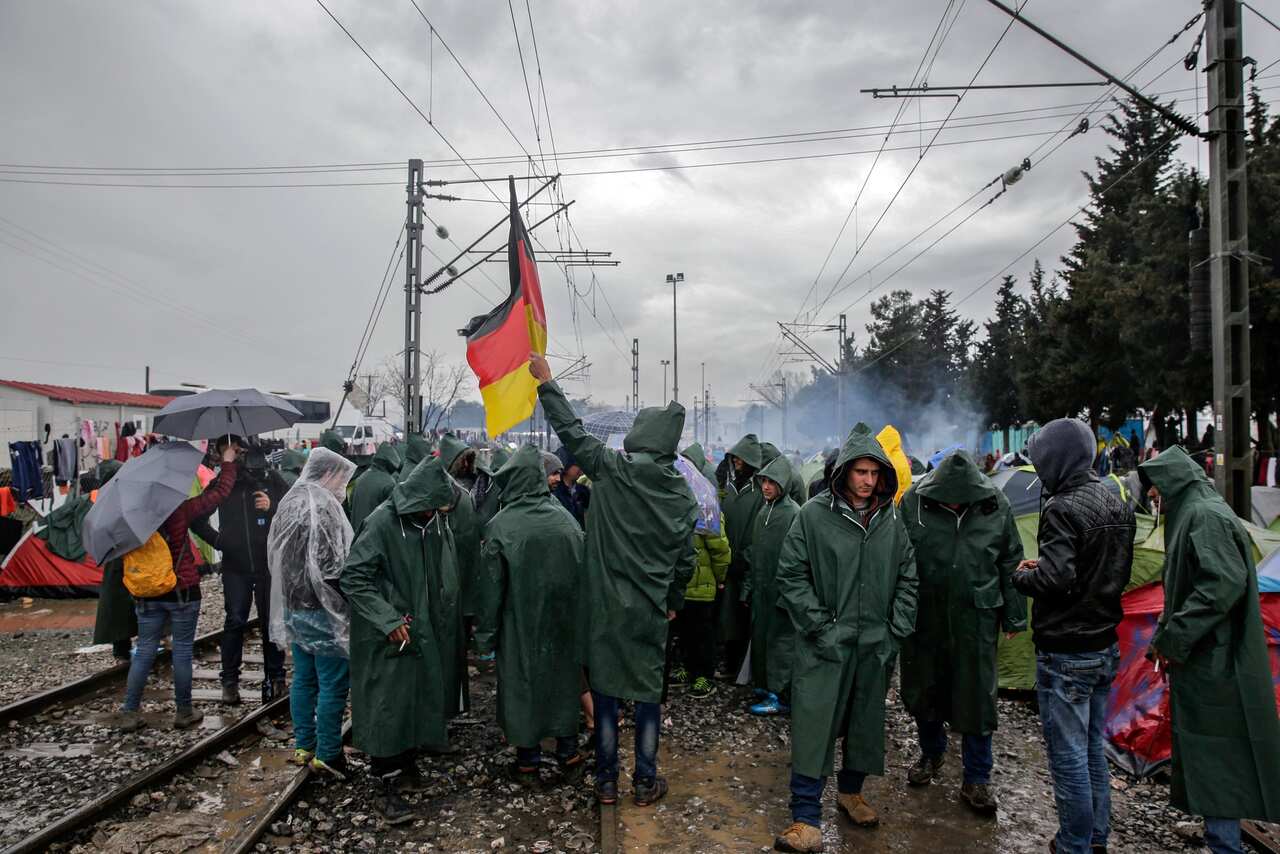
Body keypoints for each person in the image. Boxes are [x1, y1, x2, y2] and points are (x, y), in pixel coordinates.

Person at [529, 352, 696, 808]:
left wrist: (547, 381)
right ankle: (644, 783)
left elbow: (572, 432)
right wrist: (674, 598)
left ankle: (605, 783)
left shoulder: (610, 469)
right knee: (646, 699)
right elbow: (685, 558)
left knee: (604, 696)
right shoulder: (681, 493)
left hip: (603, 606)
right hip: (650, 610)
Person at [772, 424, 917, 853]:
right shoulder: (813, 516)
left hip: (874, 645)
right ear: (844, 474)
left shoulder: (891, 519)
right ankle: (805, 818)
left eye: (875, 472)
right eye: (860, 472)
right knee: (814, 727)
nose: (868, 480)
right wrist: (819, 625)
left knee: (864, 723)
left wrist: (895, 630)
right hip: (825, 646)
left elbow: (909, 575)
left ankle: (851, 792)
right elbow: (791, 575)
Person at [1140, 447, 1280, 853]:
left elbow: (1220, 584)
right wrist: (1164, 643)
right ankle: (1220, 838)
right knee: (1210, 753)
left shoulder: (1204, 516)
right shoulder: (1192, 511)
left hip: (1219, 660)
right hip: (1205, 656)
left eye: (1155, 491)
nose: (1153, 498)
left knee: (1219, 755)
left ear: (1171, 483)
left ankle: (1224, 844)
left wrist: (1175, 638)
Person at [1012, 418, 1135, 854]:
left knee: (1068, 758)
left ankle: (1073, 844)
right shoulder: (1115, 500)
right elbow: (1108, 570)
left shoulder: (1062, 507)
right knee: (1092, 750)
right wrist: (1048, 570)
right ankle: (1096, 837)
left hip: (1065, 651)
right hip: (1104, 643)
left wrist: (1024, 577)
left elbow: (1058, 580)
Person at [341, 456, 467, 825]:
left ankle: (408, 765)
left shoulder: (429, 521)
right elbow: (354, 578)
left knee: (416, 699)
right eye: (434, 509)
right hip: (388, 635)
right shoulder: (382, 524)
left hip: (420, 630)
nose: (438, 514)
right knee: (387, 708)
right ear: (420, 502)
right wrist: (387, 618)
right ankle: (385, 784)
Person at [899, 451, 1026, 814]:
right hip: (926, 615)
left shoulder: (994, 504)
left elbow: (1010, 559)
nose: (954, 503)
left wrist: (1015, 617)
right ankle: (931, 753)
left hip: (977, 618)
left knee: (977, 696)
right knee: (926, 688)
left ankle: (977, 779)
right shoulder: (915, 504)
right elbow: (900, 557)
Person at [476, 445, 588, 786]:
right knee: (564, 683)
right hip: (564, 621)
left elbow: (490, 590)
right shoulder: (565, 519)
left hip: (519, 623)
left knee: (522, 686)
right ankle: (569, 753)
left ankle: (528, 762)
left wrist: (485, 638)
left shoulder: (500, 526)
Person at [118, 441, 239, 732]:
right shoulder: (178, 511)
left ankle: (129, 712)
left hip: (147, 591)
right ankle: (184, 711)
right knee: (182, 650)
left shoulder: (132, 516)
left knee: (145, 649)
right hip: (182, 589)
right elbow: (219, 494)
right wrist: (228, 462)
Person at [266, 448, 356, 778]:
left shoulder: (290, 501)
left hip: (293, 606)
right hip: (324, 609)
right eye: (342, 479)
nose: (342, 487)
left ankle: (304, 745)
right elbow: (336, 563)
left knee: (304, 679)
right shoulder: (324, 507)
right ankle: (329, 753)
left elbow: (276, 555)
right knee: (332, 683)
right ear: (329, 474)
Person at [190, 441, 290, 704]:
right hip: (236, 565)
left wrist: (273, 507)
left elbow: (294, 511)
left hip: (267, 563)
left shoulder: (272, 478)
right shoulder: (225, 482)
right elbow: (197, 516)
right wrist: (219, 542)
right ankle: (230, 681)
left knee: (271, 622)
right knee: (235, 621)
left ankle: (276, 677)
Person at [743, 454, 802, 716]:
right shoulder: (763, 512)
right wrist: (749, 588)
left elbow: (800, 560)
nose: (766, 486)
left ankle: (782, 696)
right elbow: (756, 554)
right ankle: (766, 685)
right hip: (762, 592)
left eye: (771, 481)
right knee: (763, 640)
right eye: (763, 481)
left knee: (782, 645)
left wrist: (789, 595)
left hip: (781, 594)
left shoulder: (794, 514)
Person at [671, 452, 730, 700]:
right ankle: (693, 673)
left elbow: (720, 550)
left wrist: (718, 577)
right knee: (691, 631)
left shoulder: (699, 509)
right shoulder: (701, 508)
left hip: (693, 585)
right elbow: (720, 551)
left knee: (696, 633)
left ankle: (699, 674)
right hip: (693, 587)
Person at [721, 433, 765, 677]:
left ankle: (744, 668)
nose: (736, 462)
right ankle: (731, 664)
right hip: (728, 564)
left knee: (745, 616)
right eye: (734, 458)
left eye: (740, 458)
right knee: (729, 619)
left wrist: (745, 558)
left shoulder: (758, 491)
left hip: (747, 566)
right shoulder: (729, 488)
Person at [90, 460, 134, 661]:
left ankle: (122, 647)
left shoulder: (101, 502)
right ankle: (123, 648)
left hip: (115, 561)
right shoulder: (121, 498)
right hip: (123, 560)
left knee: (119, 606)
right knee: (125, 604)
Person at [349, 442, 400, 531]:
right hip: (373, 538)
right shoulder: (388, 483)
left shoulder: (360, 478)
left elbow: (350, 507)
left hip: (356, 535)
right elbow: (392, 516)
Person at [552, 444, 590, 527]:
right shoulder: (554, 491)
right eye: (577, 464)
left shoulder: (583, 491)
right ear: (566, 464)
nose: (581, 468)